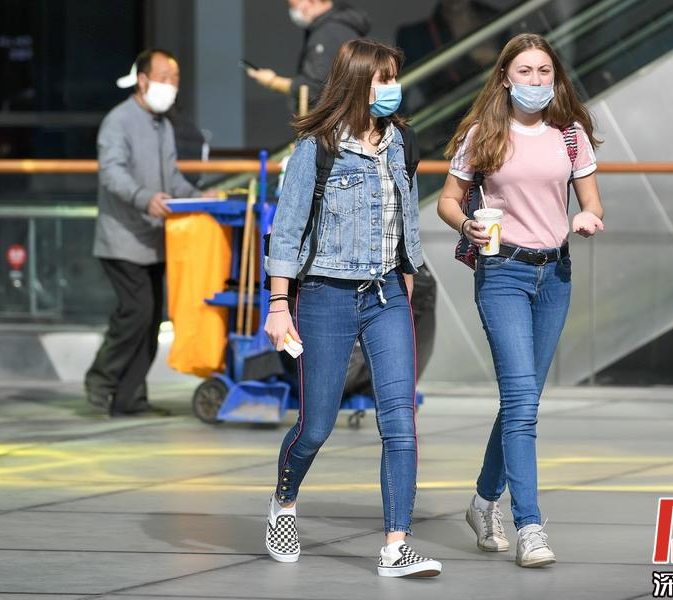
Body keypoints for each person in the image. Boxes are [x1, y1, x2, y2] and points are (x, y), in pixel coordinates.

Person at [263, 38, 441, 578]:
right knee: (316, 425)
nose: (393, 88)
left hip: (387, 295)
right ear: (358, 82)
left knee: (400, 421)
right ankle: (284, 502)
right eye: (384, 79)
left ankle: (396, 546)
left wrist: (408, 278)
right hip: (326, 294)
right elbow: (287, 231)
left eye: (395, 77)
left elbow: (405, 218)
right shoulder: (316, 148)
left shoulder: (402, 142)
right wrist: (278, 305)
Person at [436, 33, 605, 568]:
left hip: (555, 275)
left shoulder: (571, 135)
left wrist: (587, 217)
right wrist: (466, 223)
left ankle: (483, 501)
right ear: (506, 79)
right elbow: (447, 199)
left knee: (522, 400)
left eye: (544, 71)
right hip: (502, 272)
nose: (536, 80)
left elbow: (592, 201)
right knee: (522, 403)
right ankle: (529, 525)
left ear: (555, 77)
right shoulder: (483, 133)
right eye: (526, 71)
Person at [85, 48, 215, 416]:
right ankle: (101, 380)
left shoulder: (164, 126)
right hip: (122, 239)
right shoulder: (118, 121)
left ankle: (130, 397)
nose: (171, 85)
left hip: (156, 240)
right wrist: (144, 198)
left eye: (176, 79)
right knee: (136, 313)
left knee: (150, 320)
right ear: (142, 80)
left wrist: (200, 198)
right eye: (164, 78)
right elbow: (112, 173)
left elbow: (171, 179)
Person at [246, 0, 370, 109]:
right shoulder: (339, 26)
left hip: (331, 120)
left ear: (312, 1)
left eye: (294, 5)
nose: (293, 12)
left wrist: (272, 81)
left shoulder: (328, 33)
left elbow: (315, 87)